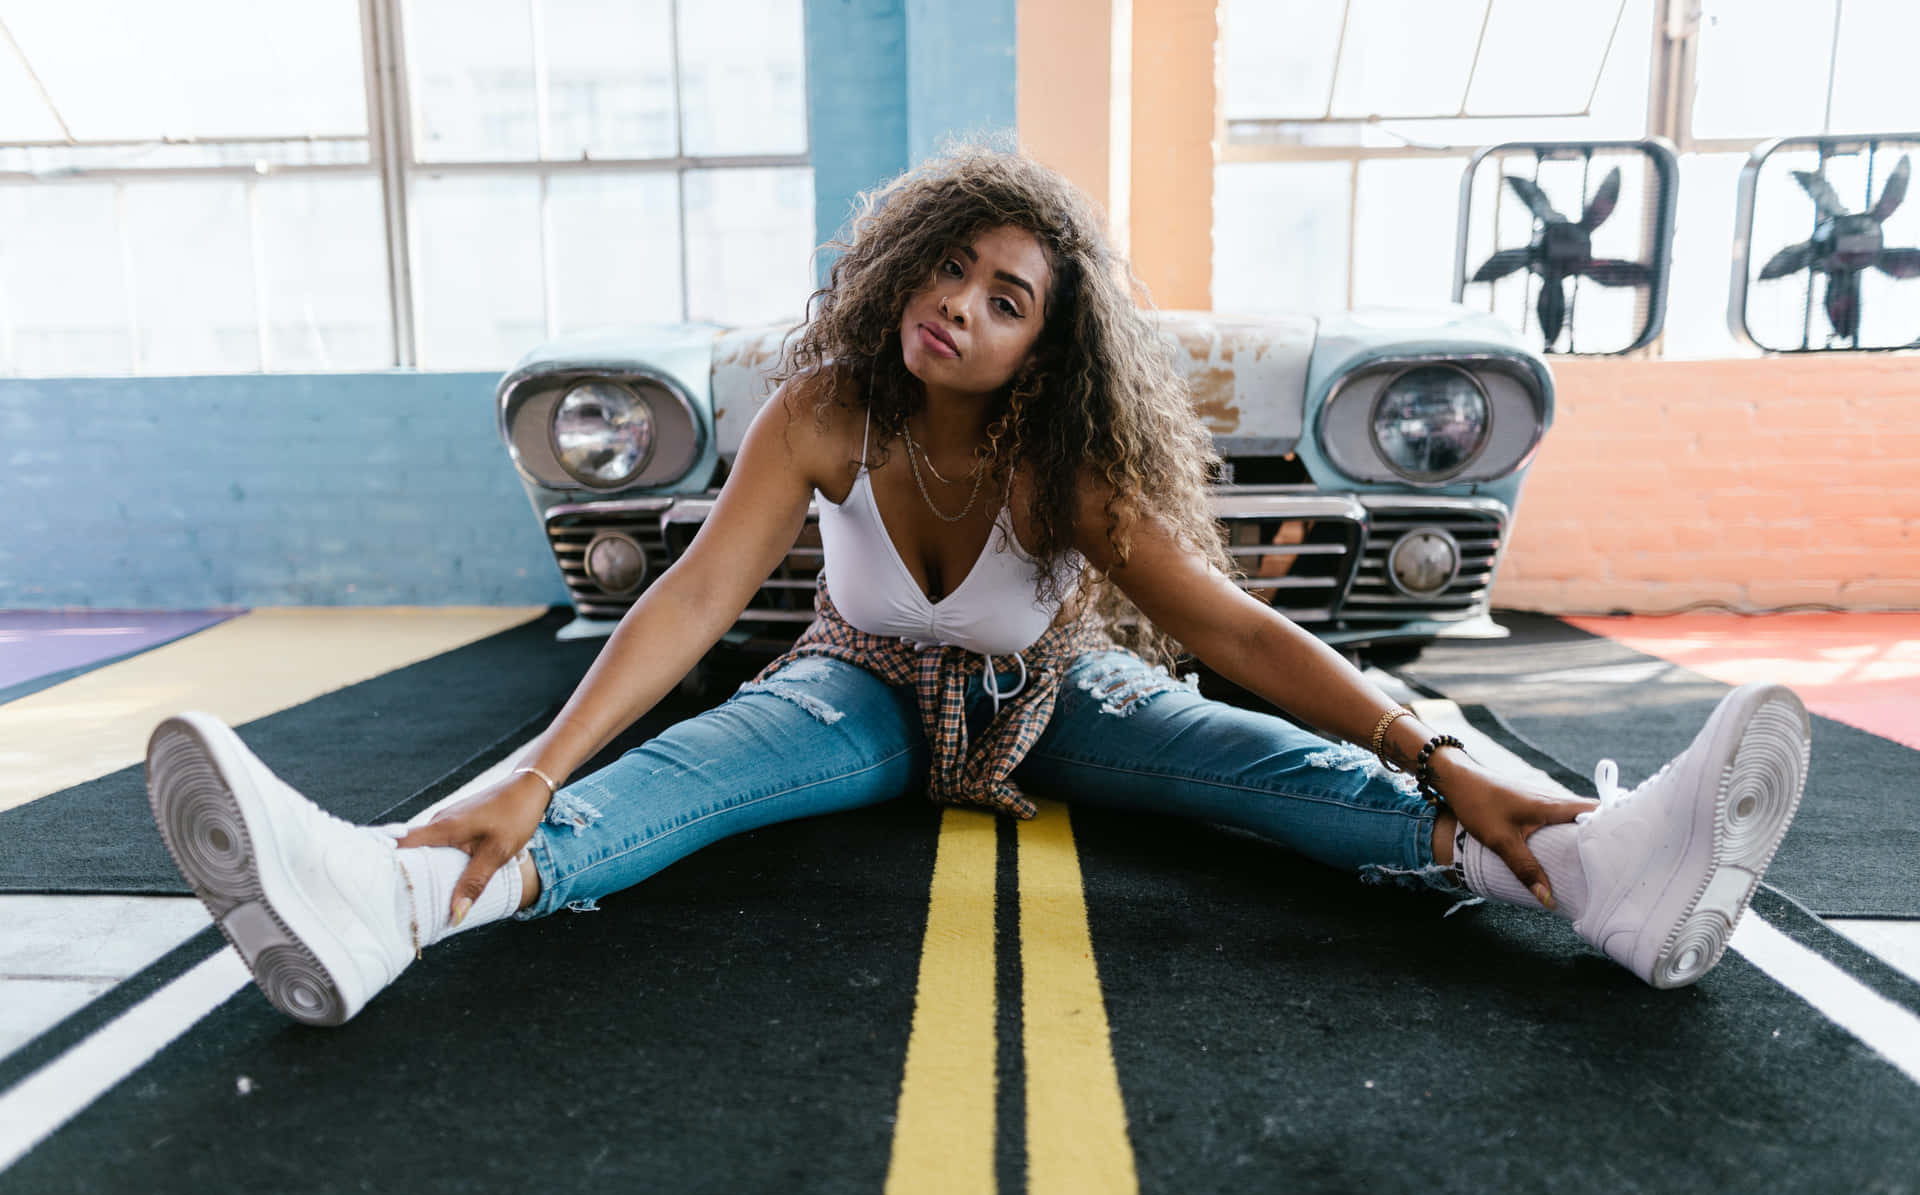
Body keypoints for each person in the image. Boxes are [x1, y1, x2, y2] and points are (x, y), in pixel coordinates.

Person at [143, 145, 1811, 1027]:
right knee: (666, 789)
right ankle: (393, 902)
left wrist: (1435, 751)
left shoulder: (1065, 459)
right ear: (896, 268)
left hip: (1060, 694)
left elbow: (1231, 631)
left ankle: (1594, 875)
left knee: (1296, 783)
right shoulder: (823, 410)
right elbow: (688, 608)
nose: (961, 303)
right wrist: (524, 773)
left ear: (1045, 340)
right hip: (850, 685)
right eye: (946, 267)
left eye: (1007, 295)